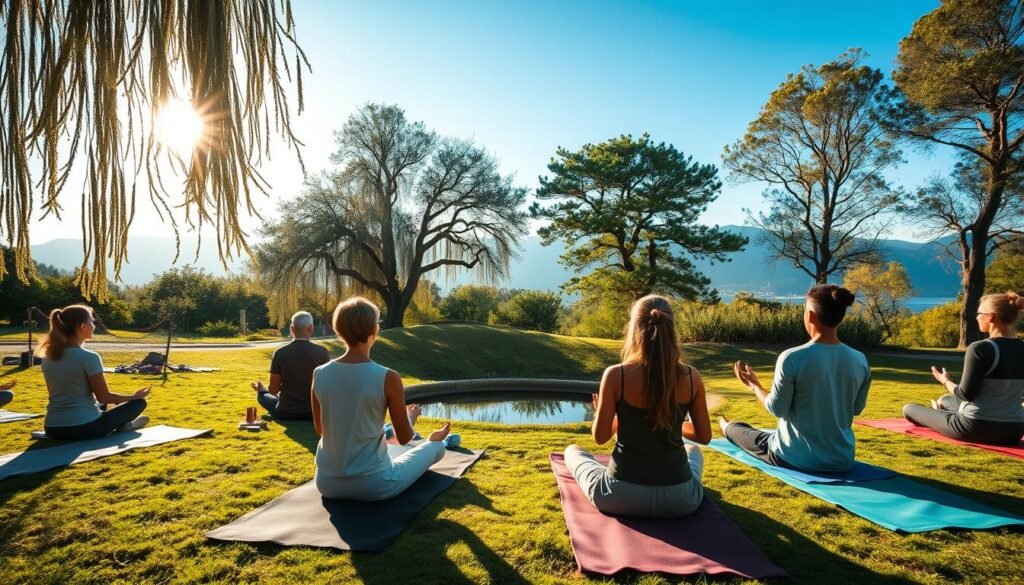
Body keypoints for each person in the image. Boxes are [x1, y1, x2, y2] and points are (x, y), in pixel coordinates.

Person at [564, 294, 712, 518]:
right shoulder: (692, 377)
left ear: (634, 328)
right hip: (680, 500)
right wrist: (668, 423)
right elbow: (704, 436)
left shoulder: (617, 375)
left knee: (573, 451)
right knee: (694, 450)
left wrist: (610, 417)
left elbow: (601, 436)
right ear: (672, 329)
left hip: (619, 495)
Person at [312, 297, 457, 501]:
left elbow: (321, 429)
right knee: (437, 448)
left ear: (339, 330)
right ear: (374, 330)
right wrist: (411, 420)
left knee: (391, 449)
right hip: (374, 485)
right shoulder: (387, 377)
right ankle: (432, 441)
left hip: (327, 483)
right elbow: (405, 438)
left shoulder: (320, 373)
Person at [720, 285, 871, 472]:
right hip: (842, 460)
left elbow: (777, 408)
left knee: (740, 431)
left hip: (794, 457)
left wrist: (755, 386)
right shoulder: (859, 360)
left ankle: (725, 426)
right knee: (762, 433)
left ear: (810, 316)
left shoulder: (792, 358)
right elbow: (856, 409)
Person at [902, 292, 1024, 446]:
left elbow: (966, 394)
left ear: (991, 317)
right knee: (947, 400)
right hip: (1015, 430)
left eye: (979, 313)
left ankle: (940, 413)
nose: (977, 317)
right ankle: (943, 408)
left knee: (909, 409)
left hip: (975, 427)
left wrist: (945, 381)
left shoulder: (980, 348)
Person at [38, 304, 151, 441]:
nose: (94, 325)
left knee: (100, 405)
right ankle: (126, 426)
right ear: (82, 327)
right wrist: (133, 397)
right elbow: (104, 397)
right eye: (91, 321)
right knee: (139, 403)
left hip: (52, 428)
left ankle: (122, 424)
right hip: (84, 428)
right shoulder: (89, 357)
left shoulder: (48, 357)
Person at [251, 311, 330, 420]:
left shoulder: (280, 353)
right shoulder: (322, 352)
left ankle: (262, 392)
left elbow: (273, 390)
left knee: (262, 396)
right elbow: (326, 386)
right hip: (314, 413)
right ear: (311, 328)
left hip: (286, 411)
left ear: (291, 329)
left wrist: (264, 391)